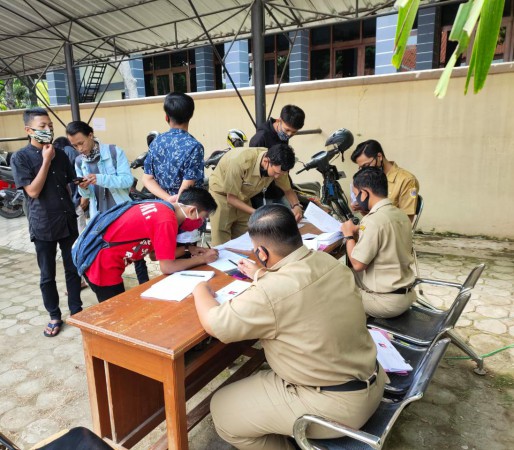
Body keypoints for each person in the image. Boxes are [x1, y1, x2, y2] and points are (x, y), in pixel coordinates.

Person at [193, 205, 385, 450]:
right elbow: (295, 285)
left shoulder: (270, 292)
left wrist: (199, 288)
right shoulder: (328, 261)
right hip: (370, 382)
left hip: (334, 407)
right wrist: (262, 274)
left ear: (261, 252)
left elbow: (215, 323)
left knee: (222, 408)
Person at [10, 108, 82, 337]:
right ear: (28, 130)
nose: (48, 129)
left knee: (73, 269)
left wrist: (84, 182)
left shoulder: (61, 154)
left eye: (50, 125)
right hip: (44, 224)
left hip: (67, 219)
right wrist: (45, 161)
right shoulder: (20, 158)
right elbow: (32, 191)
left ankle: (76, 310)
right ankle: (54, 315)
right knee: (47, 274)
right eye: (42, 126)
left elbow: (71, 182)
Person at [83, 187, 219, 302]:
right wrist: (203, 259)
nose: (201, 222)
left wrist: (189, 249)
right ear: (192, 210)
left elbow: (154, 255)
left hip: (99, 256)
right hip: (101, 264)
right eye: (202, 217)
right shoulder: (166, 221)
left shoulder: (163, 207)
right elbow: (167, 267)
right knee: (116, 313)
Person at [66, 121, 150, 284]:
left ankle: (145, 285)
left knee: (137, 251)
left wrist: (100, 178)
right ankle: (113, 288)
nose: (80, 149)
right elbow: (88, 194)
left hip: (123, 210)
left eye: (81, 143)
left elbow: (127, 181)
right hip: (100, 215)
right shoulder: (79, 162)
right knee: (105, 252)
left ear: (90, 135)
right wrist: (83, 188)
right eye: (75, 145)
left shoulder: (113, 152)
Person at [341, 167, 416, 318]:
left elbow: (358, 264)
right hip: (406, 294)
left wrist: (348, 235)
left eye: (356, 195)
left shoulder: (373, 221)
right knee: (342, 274)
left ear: (365, 193)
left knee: (333, 290)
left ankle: (354, 334)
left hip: (386, 303)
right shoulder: (400, 214)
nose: (356, 200)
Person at [208, 144, 303, 246]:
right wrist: (259, 213)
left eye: (281, 174)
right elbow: (231, 198)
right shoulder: (240, 162)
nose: (277, 176)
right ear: (266, 161)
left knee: (248, 239)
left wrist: (296, 206)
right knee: (221, 242)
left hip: (243, 198)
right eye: (276, 173)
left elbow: (288, 190)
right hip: (221, 196)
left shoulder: (278, 165)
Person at [143, 92, 205, 246]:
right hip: (185, 213)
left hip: (161, 211)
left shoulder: (156, 142)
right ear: (190, 116)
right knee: (187, 257)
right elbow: (187, 186)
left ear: (166, 117)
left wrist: (167, 199)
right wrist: (176, 199)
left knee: (165, 255)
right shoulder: (194, 146)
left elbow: (147, 179)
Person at [249, 105, 305, 208]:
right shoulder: (260, 138)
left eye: (294, 132)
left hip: (280, 189)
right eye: (287, 130)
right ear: (279, 120)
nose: (289, 134)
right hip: (262, 194)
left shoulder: (282, 135)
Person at [350, 139, 420, 221]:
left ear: (379, 157)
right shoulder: (370, 178)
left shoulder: (407, 180)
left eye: (366, 165)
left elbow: (406, 221)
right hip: (373, 225)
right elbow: (372, 214)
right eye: (361, 168)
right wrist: (362, 206)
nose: (364, 170)